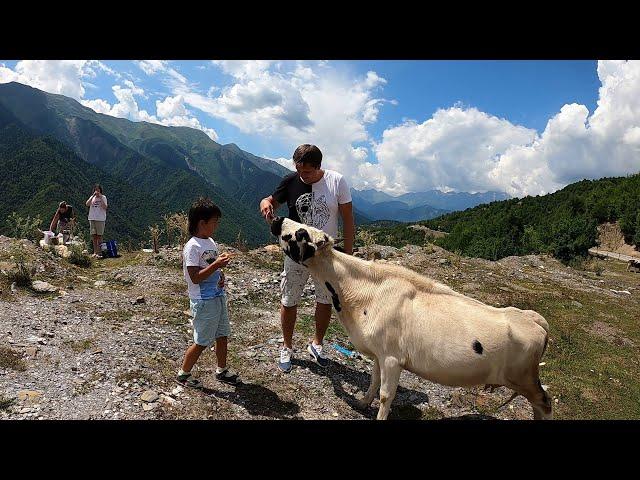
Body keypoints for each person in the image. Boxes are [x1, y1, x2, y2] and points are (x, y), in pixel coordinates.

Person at [259, 144, 354, 373]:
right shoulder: (291, 180)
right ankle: (287, 346)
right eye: (300, 171)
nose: (303, 176)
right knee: (289, 298)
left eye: (308, 172)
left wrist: (349, 254)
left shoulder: (336, 182)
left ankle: (317, 344)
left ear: (319, 167)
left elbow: (348, 219)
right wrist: (266, 205)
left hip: (324, 254)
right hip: (295, 253)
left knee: (325, 300)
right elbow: (270, 200)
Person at [177, 197, 241, 388]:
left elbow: (210, 266)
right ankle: (184, 374)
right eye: (214, 222)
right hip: (203, 300)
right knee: (202, 340)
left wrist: (220, 273)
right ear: (202, 223)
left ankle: (221, 370)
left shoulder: (210, 241)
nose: (217, 226)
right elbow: (195, 277)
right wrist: (216, 265)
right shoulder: (192, 247)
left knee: (222, 335)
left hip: (217, 295)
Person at [85, 185, 108, 257]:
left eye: (98, 190)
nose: (97, 191)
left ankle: (100, 252)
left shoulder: (103, 197)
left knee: (99, 236)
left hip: (100, 219)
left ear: (100, 190)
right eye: (95, 190)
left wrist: (100, 197)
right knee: (94, 236)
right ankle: (95, 252)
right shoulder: (92, 197)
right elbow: (87, 204)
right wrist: (92, 196)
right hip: (92, 218)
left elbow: (105, 207)